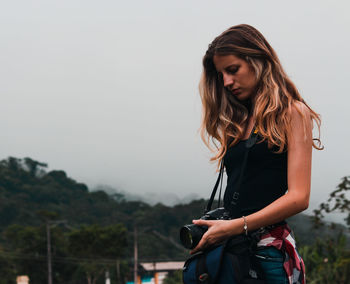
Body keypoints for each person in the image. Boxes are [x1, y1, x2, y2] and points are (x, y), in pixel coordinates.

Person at [189, 24, 323, 283]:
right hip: (232, 250)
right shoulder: (238, 121)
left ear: (258, 61)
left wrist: (235, 226)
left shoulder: (293, 113)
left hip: (268, 252)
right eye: (221, 75)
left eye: (233, 70)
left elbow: (299, 197)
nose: (227, 82)